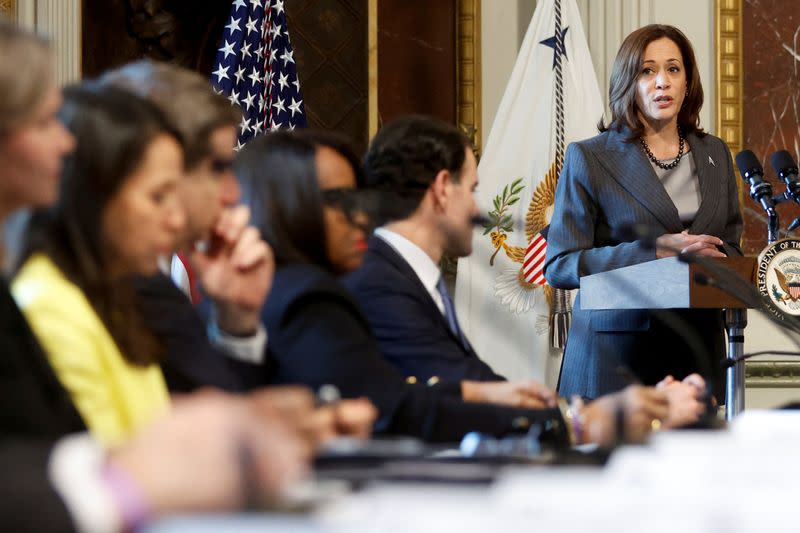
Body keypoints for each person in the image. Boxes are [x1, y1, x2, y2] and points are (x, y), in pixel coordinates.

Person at [234, 129, 668, 446]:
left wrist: (479, 392)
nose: (361, 217)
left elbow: (405, 392)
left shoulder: (324, 284)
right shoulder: (332, 289)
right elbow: (396, 408)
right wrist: (579, 421)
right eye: (342, 202)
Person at [345, 114, 706, 429]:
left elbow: (487, 389)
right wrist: (608, 417)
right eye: (471, 190)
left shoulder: (404, 277)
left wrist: (635, 407)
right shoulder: (381, 285)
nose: (476, 208)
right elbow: (460, 404)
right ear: (441, 189)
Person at [543, 24, 743, 400]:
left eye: (673, 69)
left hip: (697, 351)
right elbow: (561, 265)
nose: (662, 82)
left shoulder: (715, 152)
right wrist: (655, 250)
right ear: (628, 82)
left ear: (688, 82)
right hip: (616, 358)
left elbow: (729, 246)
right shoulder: (590, 156)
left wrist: (716, 261)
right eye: (647, 71)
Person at [12, 83, 186, 446]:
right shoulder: (49, 305)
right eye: (158, 197)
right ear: (95, 196)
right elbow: (103, 474)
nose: (177, 220)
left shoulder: (111, 288)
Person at [100, 60, 271, 393]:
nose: (233, 193)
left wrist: (236, 321)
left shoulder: (153, 274)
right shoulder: (127, 280)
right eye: (217, 168)